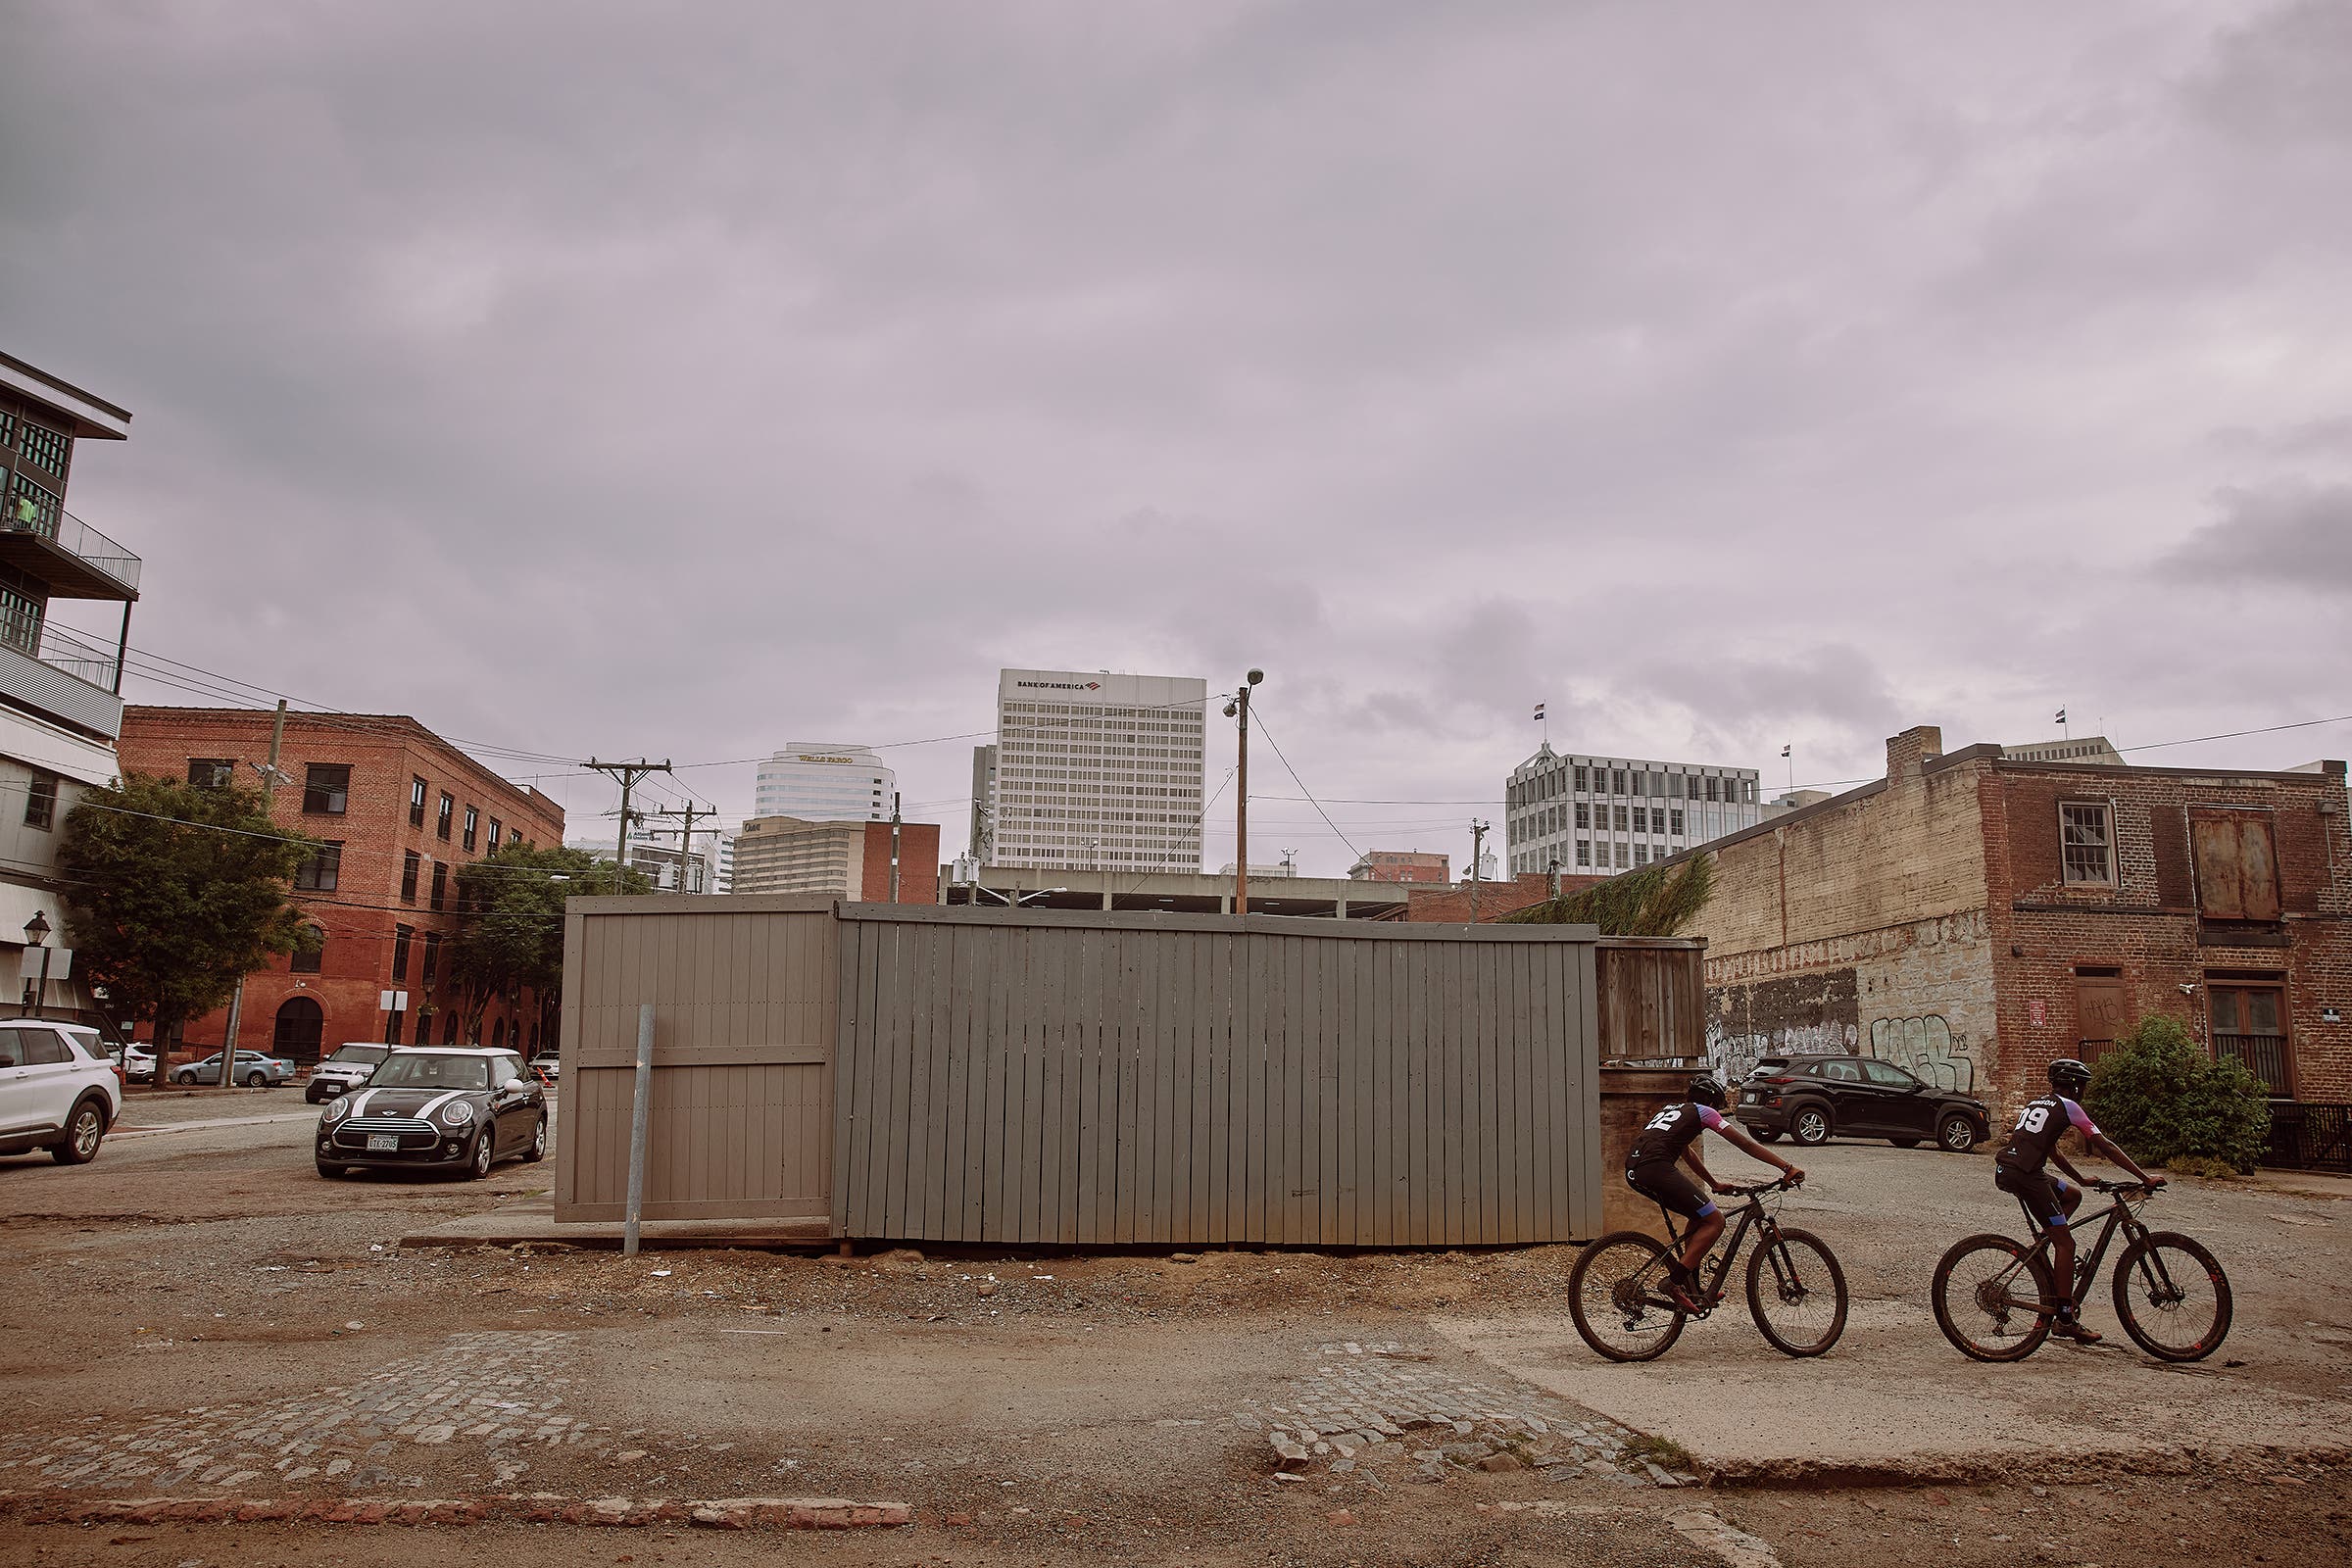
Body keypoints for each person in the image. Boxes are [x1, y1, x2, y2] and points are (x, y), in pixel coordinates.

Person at [1993, 1058, 2164, 1345]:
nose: (2083, 1092)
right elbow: (2105, 1145)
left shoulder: (2038, 1103)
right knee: (2066, 1244)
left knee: (2073, 1195)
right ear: (2074, 1087)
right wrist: (2144, 1177)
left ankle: (2048, 1244)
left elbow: (2053, 1151)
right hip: (2027, 1177)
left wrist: (2081, 1179)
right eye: (2083, 1086)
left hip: (2011, 1170)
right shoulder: (2068, 1106)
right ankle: (2065, 1319)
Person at [1625, 1072, 1804, 1312]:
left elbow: (1687, 1153)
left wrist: (1714, 1183)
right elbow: (1745, 1143)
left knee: (1698, 1218)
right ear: (1711, 1102)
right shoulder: (1705, 1112)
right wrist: (1786, 1167)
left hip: (1634, 1170)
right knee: (1715, 1221)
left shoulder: (1672, 1110)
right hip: (1656, 1168)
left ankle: (1692, 1287)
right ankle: (1673, 1283)